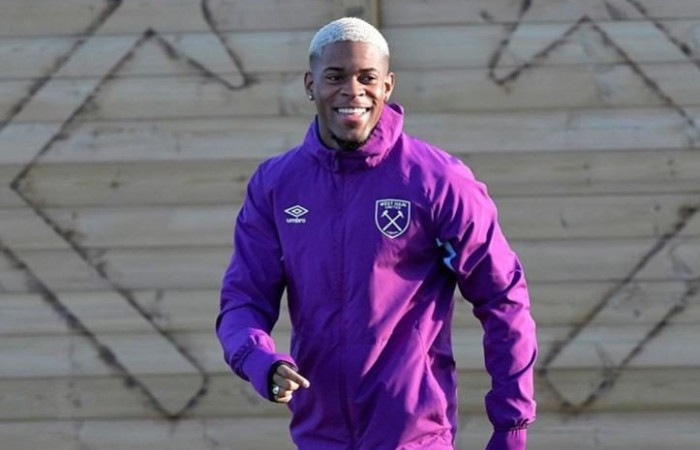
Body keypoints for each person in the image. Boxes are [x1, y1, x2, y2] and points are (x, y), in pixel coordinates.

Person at [216, 17, 537, 450]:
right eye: (335, 77)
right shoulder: (276, 185)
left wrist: (511, 427)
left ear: (387, 86)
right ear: (311, 85)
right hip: (318, 437)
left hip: (415, 438)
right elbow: (243, 300)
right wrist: (259, 360)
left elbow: (503, 299)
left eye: (367, 78)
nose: (353, 91)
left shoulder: (438, 181)